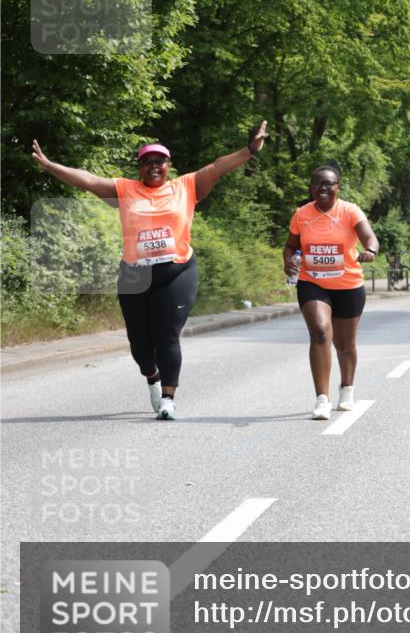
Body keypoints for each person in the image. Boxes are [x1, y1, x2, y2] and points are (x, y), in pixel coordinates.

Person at [31, 123, 268, 420]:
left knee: (167, 335)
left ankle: (169, 398)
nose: (154, 166)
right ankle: (152, 378)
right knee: (140, 344)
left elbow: (218, 167)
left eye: (160, 161)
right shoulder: (124, 189)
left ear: (169, 165)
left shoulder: (186, 186)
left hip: (177, 271)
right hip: (134, 274)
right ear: (139, 167)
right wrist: (50, 165)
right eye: (148, 161)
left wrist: (249, 150)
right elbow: (88, 180)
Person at [284, 165, 380, 420]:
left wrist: (370, 250)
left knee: (345, 345)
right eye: (318, 184)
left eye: (329, 183)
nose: (323, 188)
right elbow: (291, 246)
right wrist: (289, 261)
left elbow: (370, 237)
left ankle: (347, 389)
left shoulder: (349, 211)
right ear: (311, 188)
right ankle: (322, 399)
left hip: (348, 285)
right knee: (320, 332)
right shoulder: (302, 215)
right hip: (312, 282)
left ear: (338, 186)